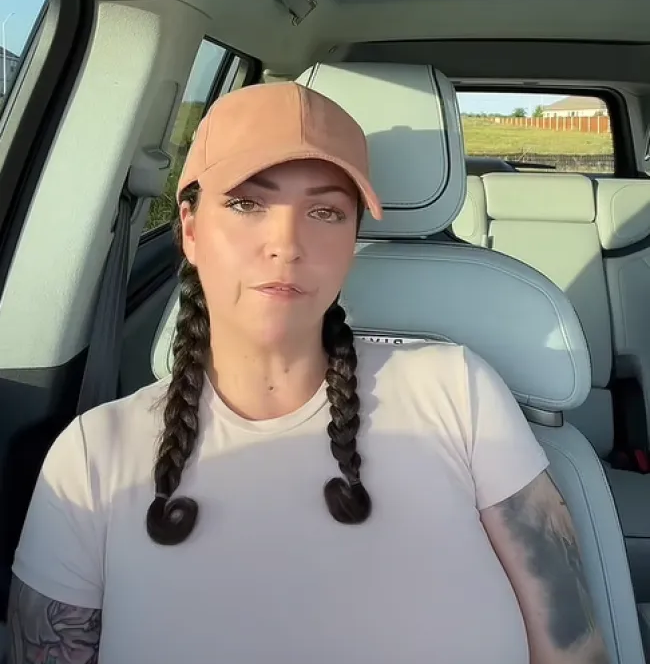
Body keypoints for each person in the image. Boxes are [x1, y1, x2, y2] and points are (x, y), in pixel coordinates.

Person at [7, 81, 608, 664]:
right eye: (246, 204)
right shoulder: (91, 457)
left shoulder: (457, 390)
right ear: (189, 229)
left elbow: (575, 648)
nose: (287, 244)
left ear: (352, 239)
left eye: (325, 211)